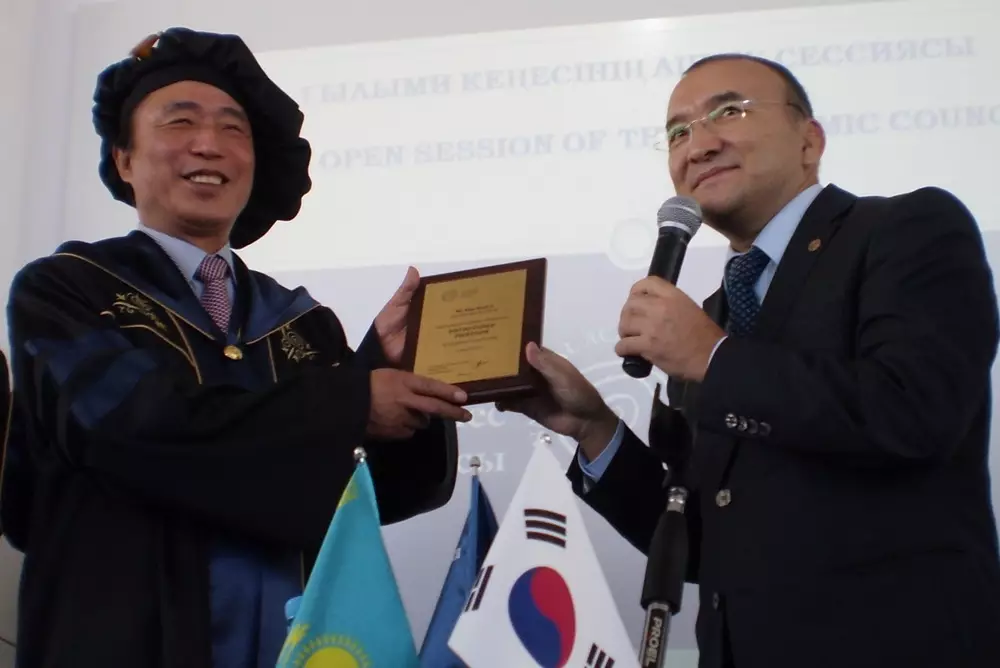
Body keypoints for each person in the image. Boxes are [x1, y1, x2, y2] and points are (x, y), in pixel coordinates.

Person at [498, 53, 1000, 668]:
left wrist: (714, 359)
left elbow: (914, 412)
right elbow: (704, 540)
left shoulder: (907, 228)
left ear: (809, 141)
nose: (698, 145)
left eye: (729, 112)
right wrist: (594, 427)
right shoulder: (714, 315)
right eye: (677, 132)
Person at [4, 27, 472, 668]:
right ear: (124, 160)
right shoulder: (66, 293)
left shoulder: (302, 325)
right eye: (180, 121)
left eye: (234, 128)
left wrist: (387, 371)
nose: (209, 144)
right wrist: (353, 402)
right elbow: (137, 429)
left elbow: (362, 493)